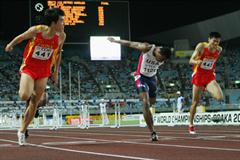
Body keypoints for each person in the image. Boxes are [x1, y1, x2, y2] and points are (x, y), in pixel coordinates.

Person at [5, 8, 66, 145]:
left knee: (35, 102)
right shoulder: (37, 30)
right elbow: (21, 37)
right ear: (53, 22)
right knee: (24, 96)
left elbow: (58, 54)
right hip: (29, 68)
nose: (63, 23)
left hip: (44, 71)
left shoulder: (61, 36)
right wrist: (10, 45)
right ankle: (31, 90)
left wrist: (55, 72)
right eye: (61, 21)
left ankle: (22, 131)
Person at [108, 37, 171, 141]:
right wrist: (115, 41)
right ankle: (152, 132)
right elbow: (130, 43)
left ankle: (148, 113)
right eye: (161, 58)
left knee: (151, 103)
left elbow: (156, 68)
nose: (161, 61)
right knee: (145, 103)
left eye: (163, 60)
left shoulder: (163, 57)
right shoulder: (147, 48)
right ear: (159, 52)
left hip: (152, 78)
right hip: (141, 76)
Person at [189, 32, 224, 134]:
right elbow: (191, 60)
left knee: (219, 97)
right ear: (209, 39)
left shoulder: (219, 50)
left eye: (218, 42)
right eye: (214, 41)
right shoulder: (201, 46)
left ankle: (206, 89)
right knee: (195, 103)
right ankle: (191, 124)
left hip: (209, 77)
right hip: (198, 76)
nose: (215, 44)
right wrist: (197, 62)